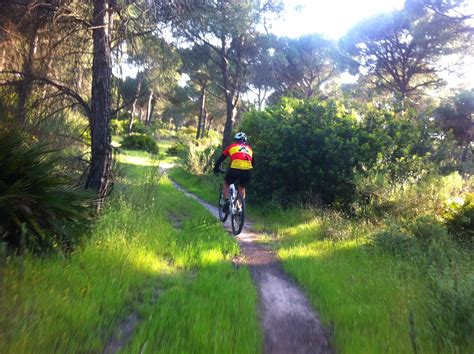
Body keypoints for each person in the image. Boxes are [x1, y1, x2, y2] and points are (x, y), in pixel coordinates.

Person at [213, 132, 253, 213]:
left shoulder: (231, 147)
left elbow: (221, 159)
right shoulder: (249, 149)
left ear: (236, 140)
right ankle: (239, 207)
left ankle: (227, 200)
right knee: (242, 187)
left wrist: (216, 168)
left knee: (226, 183)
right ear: (245, 141)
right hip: (247, 171)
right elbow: (253, 163)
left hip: (234, 169)